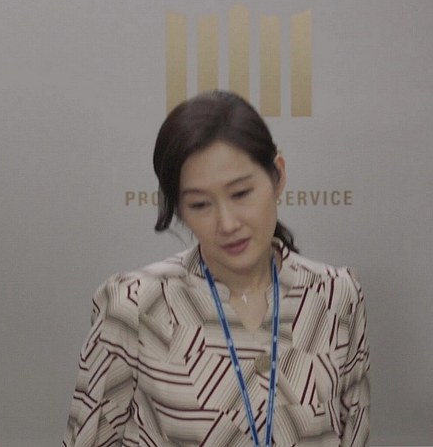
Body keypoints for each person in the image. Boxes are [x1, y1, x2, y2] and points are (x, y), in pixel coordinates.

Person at [63, 90, 370, 446]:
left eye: (241, 194)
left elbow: (354, 433)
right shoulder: (135, 305)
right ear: (179, 209)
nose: (227, 223)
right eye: (200, 204)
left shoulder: (336, 295)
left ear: (278, 176)